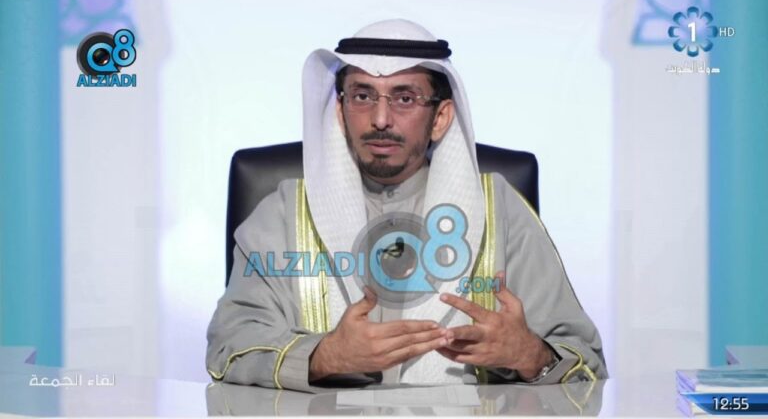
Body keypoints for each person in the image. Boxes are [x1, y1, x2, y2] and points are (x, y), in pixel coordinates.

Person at [206, 19, 607, 392]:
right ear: (341, 113)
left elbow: (586, 363)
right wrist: (322, 357)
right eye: (362, 96)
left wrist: (529, 355)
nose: (380, 118)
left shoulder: (500, 210)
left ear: (440, 117)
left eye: (404, 98)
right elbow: (228, 347)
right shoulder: (283, 213)